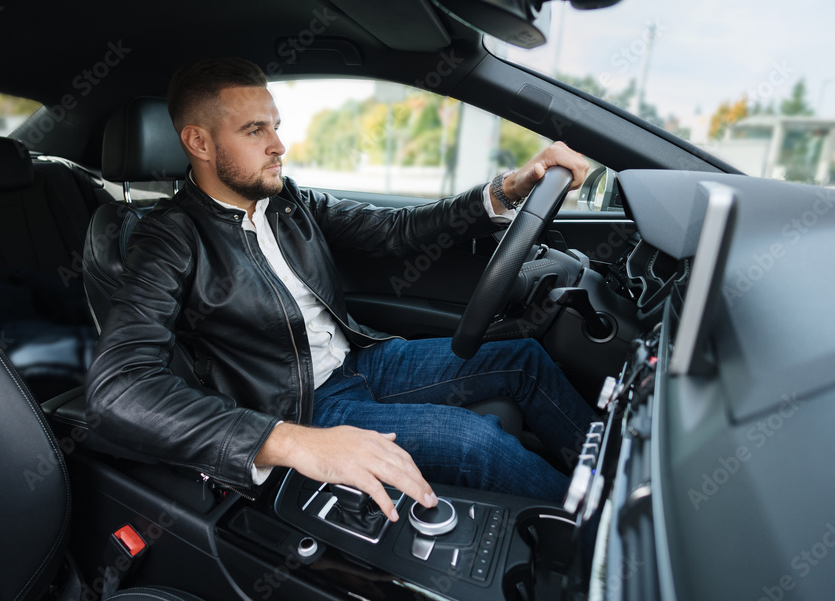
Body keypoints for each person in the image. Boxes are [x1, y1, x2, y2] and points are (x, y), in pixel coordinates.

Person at [86, 57, 597, 522]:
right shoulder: (168, 237)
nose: (278, 146)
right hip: (300, 406)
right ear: (199, 143)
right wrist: (290, 441)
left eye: (276, 127)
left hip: (359, 360)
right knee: (476, 444)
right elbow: (119, 389)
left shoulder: (286, 200)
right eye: (254, 130)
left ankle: (610, 480)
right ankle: (593, 533)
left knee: (523, 357)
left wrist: (509, 188)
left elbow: (399, 230)